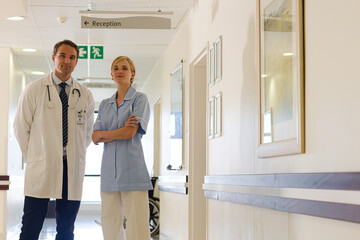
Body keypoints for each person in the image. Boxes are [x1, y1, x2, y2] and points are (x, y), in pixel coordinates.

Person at [13, 39, 95, 240]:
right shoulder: (35, 89)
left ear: (76, 62)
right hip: (41, 165)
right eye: (62, 56)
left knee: (66, 229)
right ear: (53, 58)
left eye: (72, 57)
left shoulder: (85, 94)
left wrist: (68, 154)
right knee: (31, 227)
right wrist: (35, 156)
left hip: (71, 168)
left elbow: (87, 133)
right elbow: (20, 128)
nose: (67, 61)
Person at [92, 56, 152, 240]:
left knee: (137, 224)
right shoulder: (104, 104)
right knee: (109, 222)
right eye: (116, 68)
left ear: (132, 74)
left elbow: (129, 134)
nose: (120, 71)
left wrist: (107, 134)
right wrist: (121, 130)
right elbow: (95, 136)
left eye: (124, 68)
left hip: (133, 172)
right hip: (109, 173)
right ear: (111, 74)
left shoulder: (140, 99)